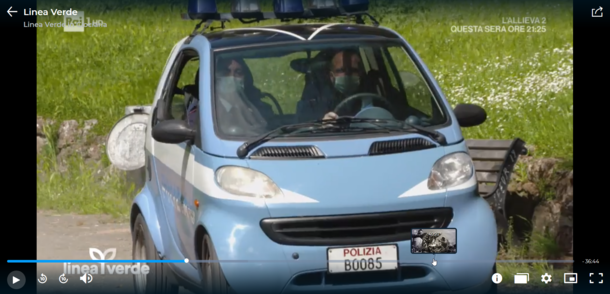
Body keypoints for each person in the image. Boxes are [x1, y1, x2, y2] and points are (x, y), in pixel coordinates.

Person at [296, 49, 383, 122]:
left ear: (361, 74)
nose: (347, 75)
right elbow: (302, 130)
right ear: (331, 76)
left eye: (353, 70)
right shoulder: (316, 101)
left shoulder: (375, 94)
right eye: (341, 70)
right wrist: (322, 125)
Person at [214, 58, 274, 136]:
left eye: (238, 73)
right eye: (226, 72)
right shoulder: (207, 111)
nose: (232, 77)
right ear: (215, 77)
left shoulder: (260, 110)